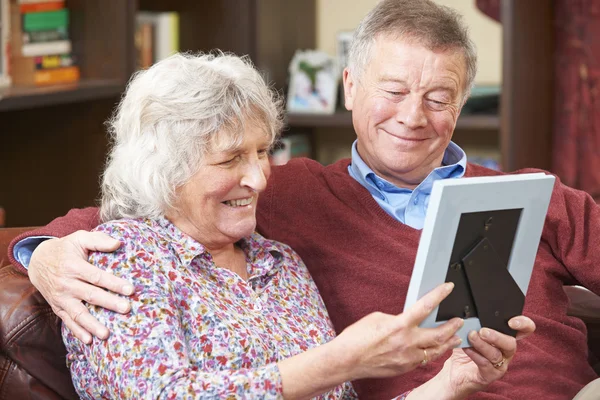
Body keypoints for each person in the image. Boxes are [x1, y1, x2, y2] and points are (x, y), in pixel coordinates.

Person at [6, 0, 592, 398]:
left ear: (462, 103)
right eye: (394, 91)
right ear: (351, 88)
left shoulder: (531, 195)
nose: (414, 117)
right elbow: (129, 210)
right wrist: (48, 255)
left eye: (439, 97)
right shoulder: (278, 195)